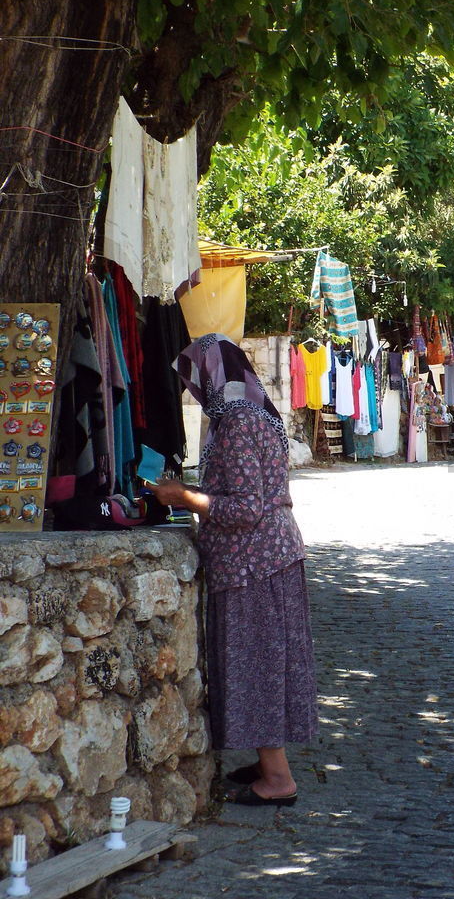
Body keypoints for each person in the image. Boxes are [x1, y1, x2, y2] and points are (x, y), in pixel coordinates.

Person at [149, 334, 316, 807]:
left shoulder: (238, 420)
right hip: (268, 558)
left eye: (195, 377)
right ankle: (268, 762)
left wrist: (183, 496)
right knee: (270, 663)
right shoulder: (254, 411)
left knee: (260, 665)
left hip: (255, 563)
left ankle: (278, 779)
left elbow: (244, 507)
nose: (194, 389)